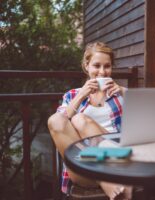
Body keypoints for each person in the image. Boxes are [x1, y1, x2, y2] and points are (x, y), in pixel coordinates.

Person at [48, 42, 132, 200]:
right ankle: (110, 184)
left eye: (107, 66)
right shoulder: (72, 95)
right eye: (96, 65)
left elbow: (143, 123)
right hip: (85, 168)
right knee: (57, 119)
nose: (102, 72)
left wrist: (123, 92)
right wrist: (81, 96)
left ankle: (109, 180)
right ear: (86, 66)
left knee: (80, 119)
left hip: (117, 161)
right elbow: (59, 124)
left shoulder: (119, 95)